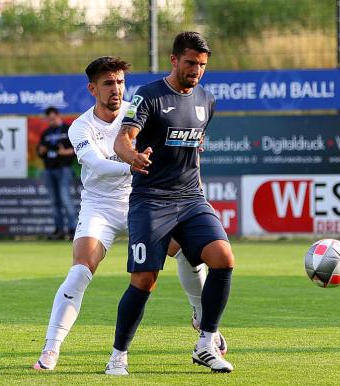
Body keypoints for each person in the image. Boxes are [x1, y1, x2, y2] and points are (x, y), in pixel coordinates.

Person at [33, 56, 226, 372]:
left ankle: (201, 316)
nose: (116, 89)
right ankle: (51, 349)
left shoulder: (138, 113)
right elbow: (94, 164)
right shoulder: (81, 126)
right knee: (80, 270)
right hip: (100, 207)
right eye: (108, 83)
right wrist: (131, 163)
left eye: (120, 82)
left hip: (145, 201)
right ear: (92, 88)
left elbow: (174, 138)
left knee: (190, 253)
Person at [106, 31, 235, 375]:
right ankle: (118, 355)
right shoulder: (147, 96)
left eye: (202, 65)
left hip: (191, 198)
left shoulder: (207, 100)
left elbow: (195, 149)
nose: (196, 70)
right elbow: (123, 139)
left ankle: (206, 343)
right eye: (190, 62)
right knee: (145, 279)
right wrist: (132, 156)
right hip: (151, 200)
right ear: (174, 59)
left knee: (222, 259)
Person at [37, 106, 77, 240]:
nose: (51, 120)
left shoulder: (68, 130)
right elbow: (40, 151)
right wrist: (41, 151)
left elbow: (77, 149)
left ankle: (73, 229)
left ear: (58, 116)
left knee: (65, 198)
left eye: (53, 117)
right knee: (54, 201)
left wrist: (64, 152)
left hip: (64, 168)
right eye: (49, 118)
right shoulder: (46, 133)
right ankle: (59, 230)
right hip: (49, 169)